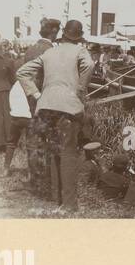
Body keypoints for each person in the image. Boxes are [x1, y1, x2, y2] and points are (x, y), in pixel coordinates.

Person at [15, 19, 94, 212]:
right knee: (68, 153)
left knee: (55, 151)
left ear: (63, 36)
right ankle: (69, 204)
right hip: (68, 106)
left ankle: (57, 198)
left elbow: (22, 72)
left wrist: (36, 94)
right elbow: (90, 65)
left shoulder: (49, 53)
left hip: (46, 107)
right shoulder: (80, 51)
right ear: (78, 38)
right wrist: (81, 87)